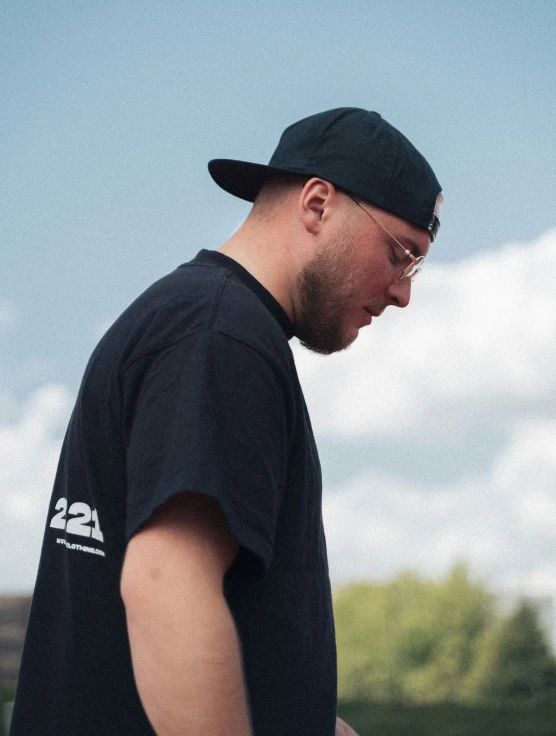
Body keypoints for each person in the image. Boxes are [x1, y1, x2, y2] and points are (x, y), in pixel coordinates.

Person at [10, 107, 442, 736]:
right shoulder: (221, 336)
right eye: (402, 254)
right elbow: (166, 585)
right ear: (317, 205)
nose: (404, 292)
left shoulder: (199, 322)